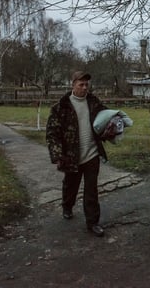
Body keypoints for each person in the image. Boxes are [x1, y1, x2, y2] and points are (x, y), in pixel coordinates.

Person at [46, 71, 108, 237]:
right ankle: (67, 206)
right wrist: (58, 155)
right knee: (70, 185)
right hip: (71, 156)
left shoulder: (94, 102)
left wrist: (114, 126)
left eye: (87, 84)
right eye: (81, 84)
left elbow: (105, 119)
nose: (84, 87)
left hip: (91, 154)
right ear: (72, 84)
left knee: (91, 190)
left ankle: (93, 222)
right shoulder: (61, 107)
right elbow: (52, 133)